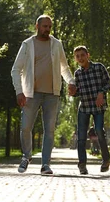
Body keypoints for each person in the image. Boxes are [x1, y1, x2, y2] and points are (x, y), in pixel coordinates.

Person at [11, 15, 76, 175]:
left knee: (50, 130)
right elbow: (15, 70)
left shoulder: (56, 44)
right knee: (25, 127)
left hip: (51, 94)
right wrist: (19, 91)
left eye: (49, 26)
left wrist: (71, 81)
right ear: (37, 26)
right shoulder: (27, 45)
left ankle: (45, 164)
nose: (47, 29)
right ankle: (26, 156)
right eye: (44, 26)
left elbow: (64, 68)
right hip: (30, 94)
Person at [71, 46, 110, 174]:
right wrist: (73, 92)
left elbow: (108, 84)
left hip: (98, 106)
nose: (80, 58)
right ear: (75, 59)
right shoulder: (77, 73)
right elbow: (78, 93)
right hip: (84, 107)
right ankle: (82, 164)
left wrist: (101, 93)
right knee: (81, 137)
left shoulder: (99, 67)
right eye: (77, 56)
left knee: (99, 130)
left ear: (88, 55)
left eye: (82, 55)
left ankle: (106, 160)